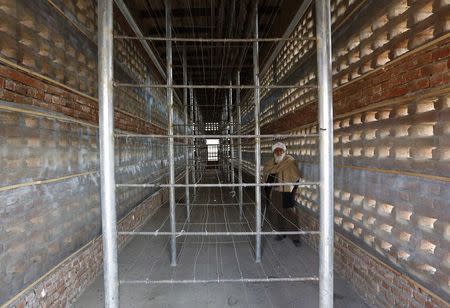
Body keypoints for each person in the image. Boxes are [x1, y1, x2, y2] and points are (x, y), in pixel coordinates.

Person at [262, 142, 302, 247]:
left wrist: (293, 192)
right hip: (274, 192)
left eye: (281, 150)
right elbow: (266, 176)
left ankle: (295, 237)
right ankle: (281, 233)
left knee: (290, 214)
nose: (278, 152)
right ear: (273, 152)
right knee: (276, 213)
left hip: (286, 192)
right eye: (276, 150)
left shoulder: (290, 161)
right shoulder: (270, 163)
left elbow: (297, 178)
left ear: (284, 151)